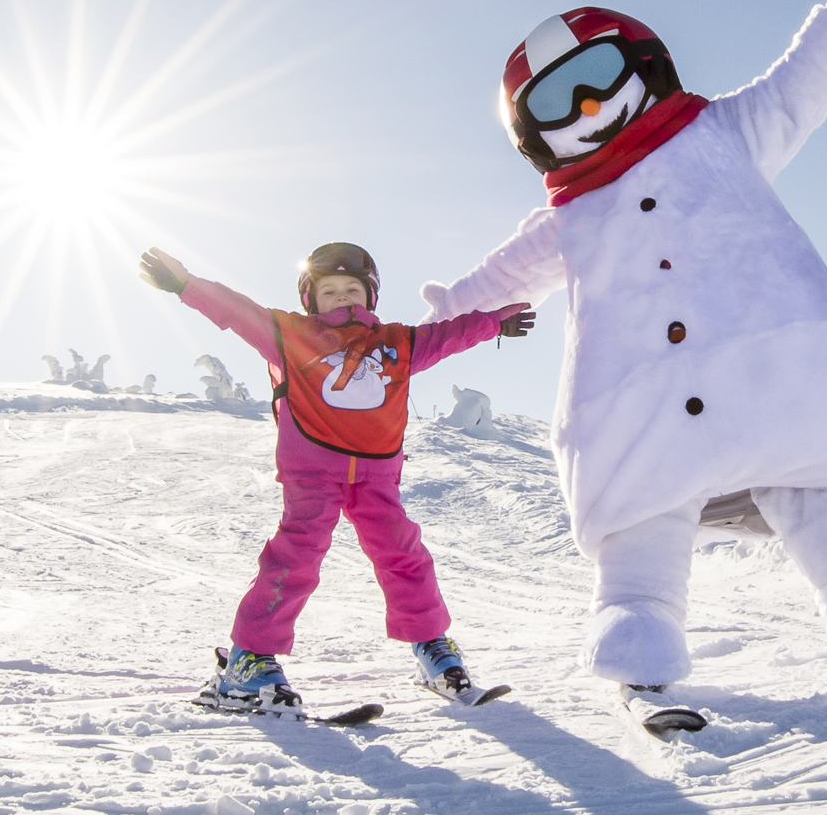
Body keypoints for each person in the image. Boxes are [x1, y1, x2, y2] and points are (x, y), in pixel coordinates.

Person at [418, 0, 827, 731]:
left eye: (597, 75)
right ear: (536, 133)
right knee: (642, 522)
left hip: (778, 379)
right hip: (648, 405)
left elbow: (799, 89)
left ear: (641, 62)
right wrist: (445, 313)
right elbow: (504, 277)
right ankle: (642, 661)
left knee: (816, 498)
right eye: (558, 100)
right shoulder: (570, 214)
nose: (590, 105)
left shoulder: (721, 134)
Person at [138, 241, 534, 710]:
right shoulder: (288, 334)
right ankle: (247, 663)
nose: (343, 298)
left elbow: (448, 334)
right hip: (313, 473)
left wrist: (493, 324)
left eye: (353, 289)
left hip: (377, 475)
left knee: (404, 556)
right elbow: (235, 310)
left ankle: (433, 650)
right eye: (330, 291)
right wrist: (186, 285)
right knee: (295, 560)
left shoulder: (398, 342)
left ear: (371, 296)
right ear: (311, 299)